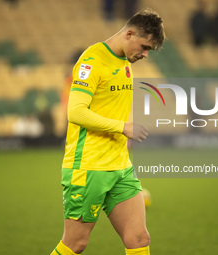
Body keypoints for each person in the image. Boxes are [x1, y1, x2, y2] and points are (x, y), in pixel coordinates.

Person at [50, 9, 165, 255]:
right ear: (130, 34)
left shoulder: (125, 60)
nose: (145, 54)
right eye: (144, 47)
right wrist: (123, 128)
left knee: (139, 238)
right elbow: (76, 112)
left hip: (120, 166)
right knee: (76, 244)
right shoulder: (92, 60)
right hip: (88, 166)